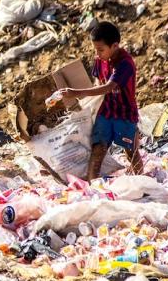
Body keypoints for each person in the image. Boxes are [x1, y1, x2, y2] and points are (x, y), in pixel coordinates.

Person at [58, 21, 143, 181]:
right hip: (106, 112)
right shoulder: (100, 60)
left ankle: (141, 182)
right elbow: (98, 84)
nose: (97, 54)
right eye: (95, 49)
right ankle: (92, 186)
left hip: (124, 114)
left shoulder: (125, 63)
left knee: (130, 150)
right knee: (98, 148)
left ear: (115, 46)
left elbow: (108, 87)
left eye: (101, 50)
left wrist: (75, 93)